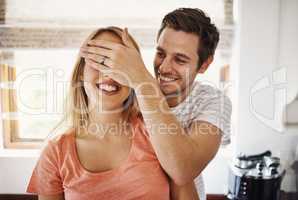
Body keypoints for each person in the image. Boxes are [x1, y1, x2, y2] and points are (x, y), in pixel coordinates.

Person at [81, 8, 232, 200]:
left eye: (180, 59)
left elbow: (183, 169)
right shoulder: (131, 88)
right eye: (161, 54)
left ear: (204, 65)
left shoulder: (213, 102)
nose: (164, 67)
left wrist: (141, 80)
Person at [26, 27, 184, 200]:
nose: (110, 73)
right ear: (81, 73)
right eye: (100, 61)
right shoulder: (55, 153)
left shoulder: (159, 135)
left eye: (121, 65)